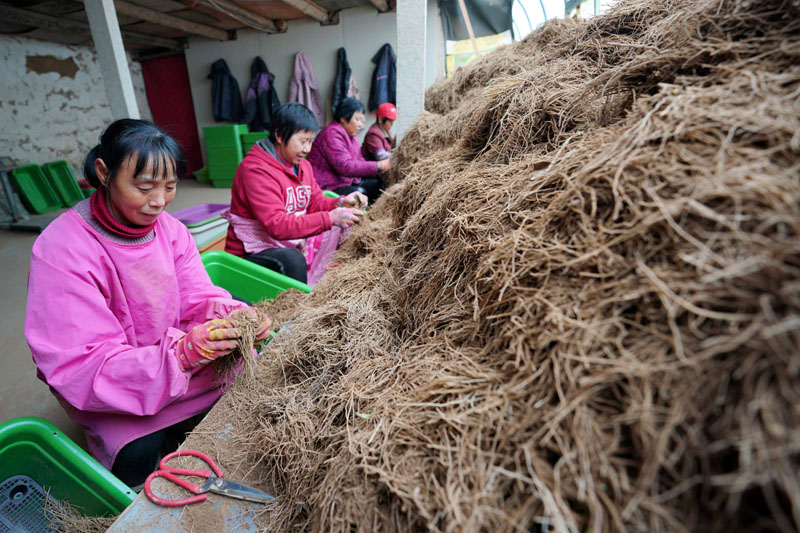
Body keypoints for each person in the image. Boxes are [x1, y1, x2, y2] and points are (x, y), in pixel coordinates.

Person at [24, 119, 271, 489]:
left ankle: (183, 433)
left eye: (170, 187)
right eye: (143, 187)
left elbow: (197, 297)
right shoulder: (61, 248)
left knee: (247, 373)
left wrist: (234, 317)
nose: (159, 201)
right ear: (104, 173)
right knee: (137, 450)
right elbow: (81, 363)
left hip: (175, 358)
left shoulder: (170, 230)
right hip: (115, 382)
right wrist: (180, 357)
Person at [223, 102, 366, 285]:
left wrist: (341, 202)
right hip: (253, 252)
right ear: (280, 136)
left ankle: (320, 283)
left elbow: (314, 202)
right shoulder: (255, 170)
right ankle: (299, 306)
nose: (307, 149)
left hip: (286, 240)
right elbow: (277, 225)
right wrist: (330, 218)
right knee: (293, 260)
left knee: (345, 226)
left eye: (311, 142)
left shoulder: (302, 165)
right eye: (303, 141)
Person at [307, 97, 389, 204]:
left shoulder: (352, 137)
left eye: (362, 121)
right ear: (343, 118)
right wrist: (379, 165)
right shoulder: (331, 134)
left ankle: (374, 217)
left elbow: (360, 161)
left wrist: (379, 170)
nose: (361, 125)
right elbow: (345, 167)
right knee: (359, 193)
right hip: (327, 186)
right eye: (357, 119)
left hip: (344, 182)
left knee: (378, 185)